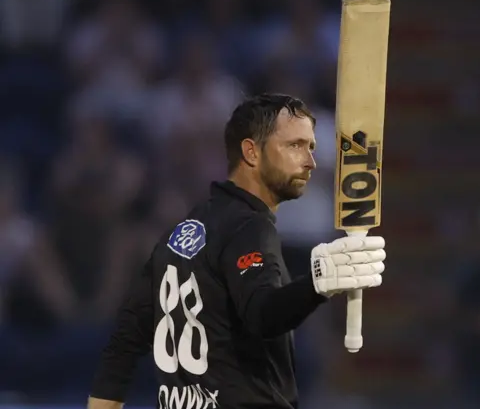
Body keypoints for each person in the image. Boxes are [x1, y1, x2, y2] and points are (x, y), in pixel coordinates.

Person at [86, 93, 387, 409]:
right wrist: (320, 282)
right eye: (294, 146)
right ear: (252, 152)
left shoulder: (188, 228)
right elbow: (263, 316)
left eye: (310, 148)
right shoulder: (248, 228)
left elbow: (124, 341)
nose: (310, 162)